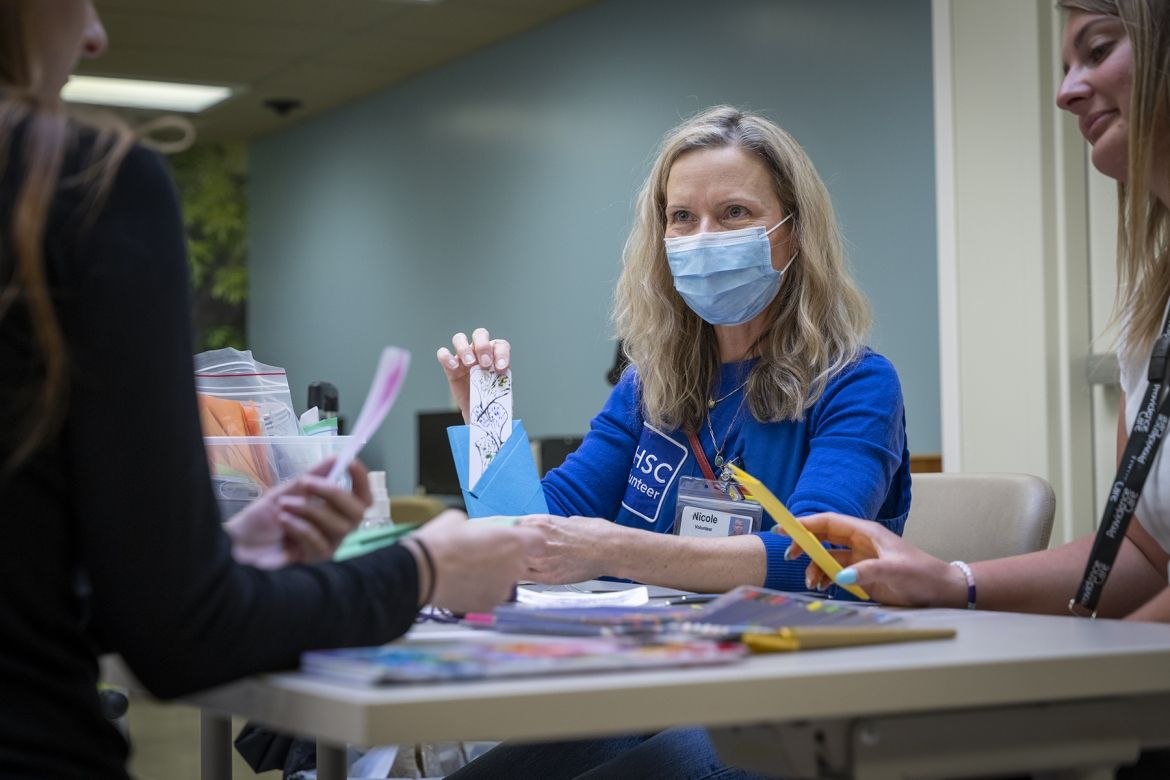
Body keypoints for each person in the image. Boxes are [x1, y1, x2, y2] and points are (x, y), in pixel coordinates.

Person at [0, 3, 538, 778]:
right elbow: (182, 637)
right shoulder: (83, 183)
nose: (95, 34)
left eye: (716, 216)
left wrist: (218, 557)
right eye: (679, 216)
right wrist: (422, 567)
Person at [438, 106, 911, 779]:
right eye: (682, 217)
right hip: (658, 682)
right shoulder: (648, 385)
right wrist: (485, 417)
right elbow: (534, 532)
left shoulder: (857, 383)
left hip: (790, 694)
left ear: (793, 233)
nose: (702, 237)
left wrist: (613, 549)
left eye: (735, 213)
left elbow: (815, 560)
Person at [784, 0, 1170, 624]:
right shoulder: (1151, 318)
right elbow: (1144, 554)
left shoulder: (856, 380)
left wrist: (1112, 674)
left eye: (1098, 51)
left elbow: (787, 558)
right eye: (681, 217)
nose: (1066, 93)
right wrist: (951, 580)